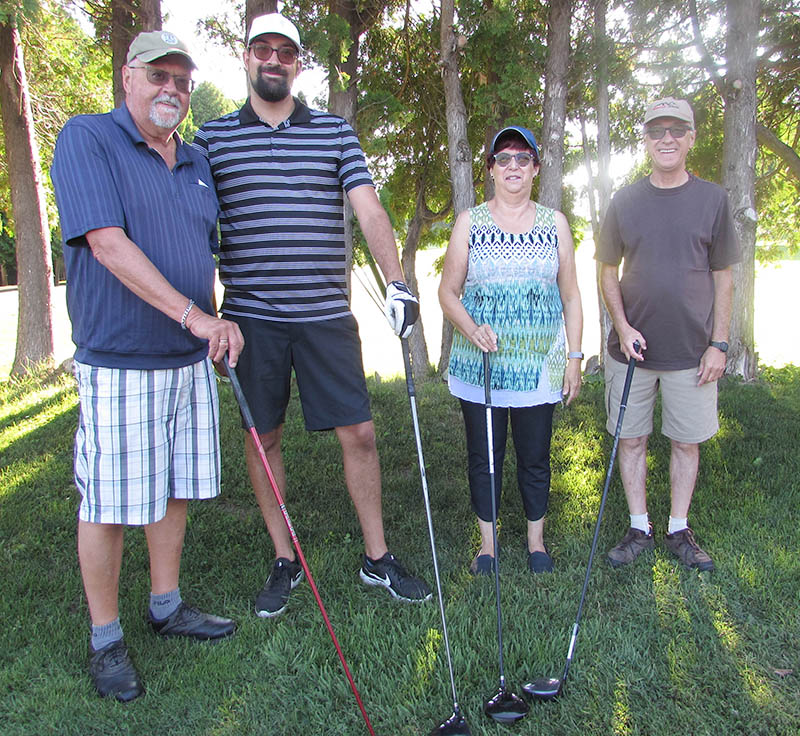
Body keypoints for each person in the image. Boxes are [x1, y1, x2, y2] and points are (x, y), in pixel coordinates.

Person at [193, 13, 431, 618]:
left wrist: (397, 284)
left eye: (286, 52)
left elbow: (369, 210)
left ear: (298, 64)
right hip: (251, 319)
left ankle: (376, 557)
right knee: (262, 435)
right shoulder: (211, 140)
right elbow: (189, 222)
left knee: (360, 432)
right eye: (263, 50)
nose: (274, 60)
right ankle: (284, 557)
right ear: (246, 58)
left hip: (325, 315)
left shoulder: (334, 132)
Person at [51, 30, 245, 703]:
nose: (172, 90)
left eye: (183, 81)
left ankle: (166, 605)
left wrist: (221, 324)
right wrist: (196, 317)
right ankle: (106, 639)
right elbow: (106, 244)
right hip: (122, 358)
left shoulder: (194, 161)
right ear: (127, 78)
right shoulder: (88, 138)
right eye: (158, 75)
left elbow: (207, 251)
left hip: (188, 360)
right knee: (107, 502)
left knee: (175, 486)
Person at [596, 96, 740, 572]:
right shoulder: (624, 201)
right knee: (631, 440)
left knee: (685, 443)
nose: (667, 139)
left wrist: (719, 344)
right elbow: (606, 269)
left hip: (692, 352)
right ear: (645, 140)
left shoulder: (713, 200)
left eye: (677, 130)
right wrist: (621, 325)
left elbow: (724, 277)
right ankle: (639, 525)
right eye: (656, 130)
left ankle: (679, 527)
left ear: (691, 138)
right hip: (631, 352)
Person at [439, 125, 584, 575]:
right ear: (491, 170)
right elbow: (447, 291)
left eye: (523, 158)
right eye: (504, 158)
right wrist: (470, 327)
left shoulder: (555, 223)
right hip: (480, 365)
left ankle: (536, 542)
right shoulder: (470, 222)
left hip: (540, 366)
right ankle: (488, 546)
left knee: (535, 456)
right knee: (484, 457)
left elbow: (572, 296)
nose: (514, 165)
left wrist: (575, 357)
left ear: (536, 168)